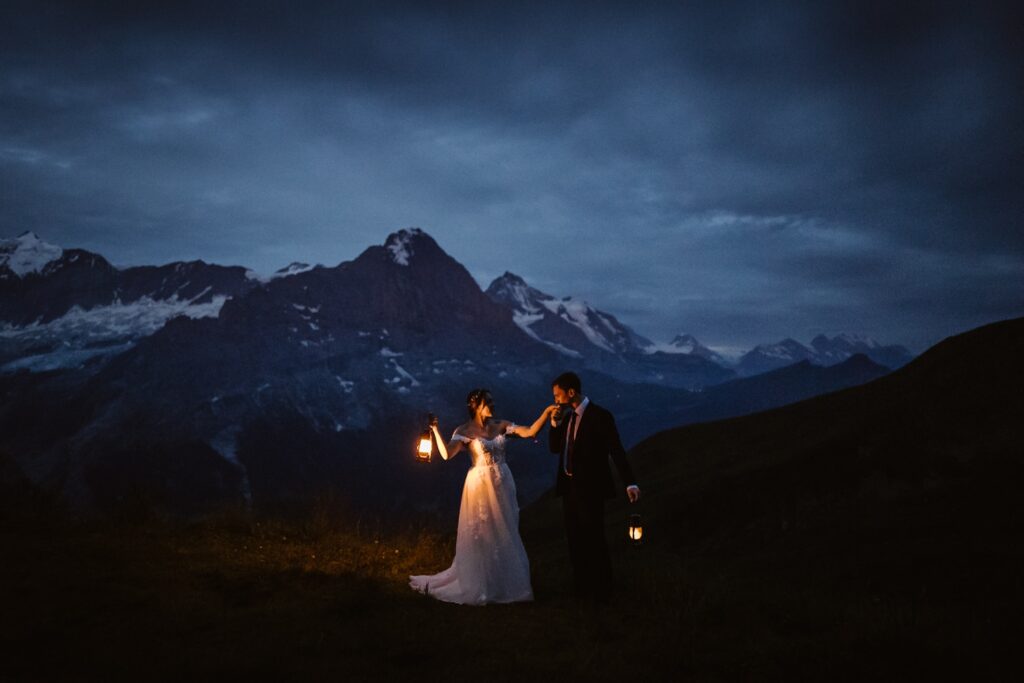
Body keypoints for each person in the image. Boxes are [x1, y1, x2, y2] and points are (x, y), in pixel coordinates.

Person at [409, 389, 556, 605]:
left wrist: (545, 413)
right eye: (488, 401)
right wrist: (435, 431)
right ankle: (484, 583)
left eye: (492, 400)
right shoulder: (464, 430)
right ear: (476, 405)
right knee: (483, 531)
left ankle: (504, 582)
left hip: (503, 481)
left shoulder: (501, 425)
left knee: (505, 528)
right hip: (479, 484)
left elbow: (530, 432)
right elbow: (447, 454)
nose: (493, 404)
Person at [548, 371, 640, 603]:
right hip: (569, 489)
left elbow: (616, 449)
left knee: (594, 539)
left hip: (591, 490)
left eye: (558, 395)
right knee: (574, 540)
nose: (555, 400)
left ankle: (603, 590)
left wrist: (630, 481)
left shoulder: (600, 416)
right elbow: (554, 448)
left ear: (571, 392)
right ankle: (581, 588)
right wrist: (555, 423)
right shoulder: (567, 418)